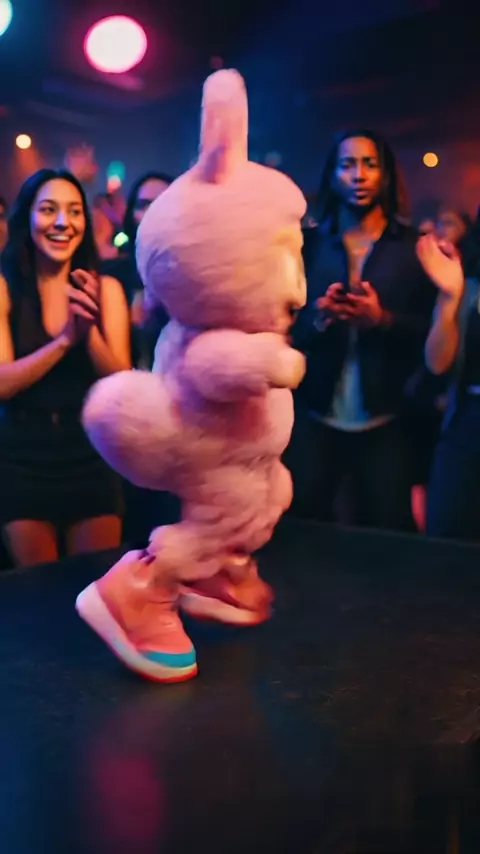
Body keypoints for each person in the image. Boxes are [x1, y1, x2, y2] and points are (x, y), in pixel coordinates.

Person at [287, 129, 437, 531]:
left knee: (389, 533)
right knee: (304, 527)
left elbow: (433, 335)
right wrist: (320, 318)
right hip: (316, 412)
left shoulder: (414, 247)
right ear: (332, 174)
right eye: (347, 164)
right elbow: (283, 328)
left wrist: (381, 320)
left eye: (370, 164)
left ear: (385, 174)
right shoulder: (308, 246)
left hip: (388, 417)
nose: (359, 174)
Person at [0, 168, 131, 567]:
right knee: (40, 587)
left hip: (90, 454)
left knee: (91, 583)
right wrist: (63, 342)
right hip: (21, 458)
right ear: (28, 217)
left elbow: (125, 386)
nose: (62, 222)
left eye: (74, 211)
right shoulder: (5, 287)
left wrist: (88, 335)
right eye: (48, 210)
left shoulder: (107, 289)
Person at [419, 234, 480, 540]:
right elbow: (437, 363)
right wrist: (449, 298)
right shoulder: (467, 282)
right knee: (445, 532)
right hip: (466, 419)